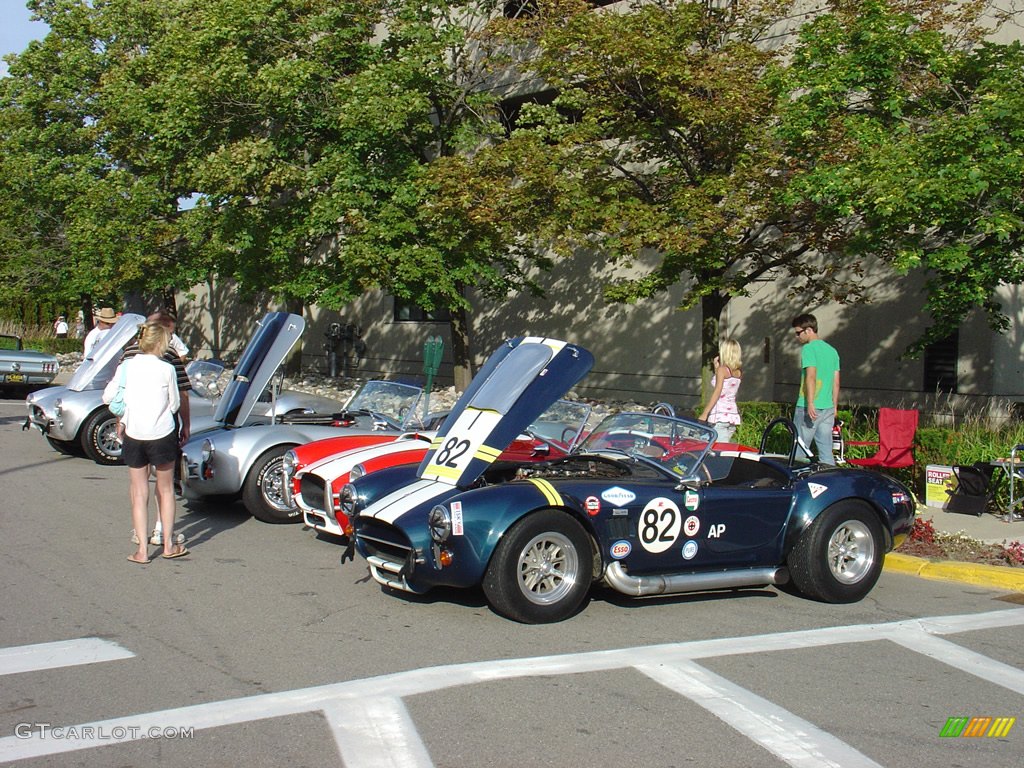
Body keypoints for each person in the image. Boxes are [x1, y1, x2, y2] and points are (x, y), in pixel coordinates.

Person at [103, 321, 188, 563]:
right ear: (161, 343)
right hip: (162, 434)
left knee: (138, 491)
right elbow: (174, 404)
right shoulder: (167, 369)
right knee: (165, 489)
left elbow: (109, 396)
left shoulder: (127, 366)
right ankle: (168, 544)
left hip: (134, 432)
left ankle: (141, 550)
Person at [121, 309, 192, 546]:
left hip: (133, 425)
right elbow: (180, 395)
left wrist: (122, 419)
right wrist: (186, 425)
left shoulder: (128, 355)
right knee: (165, 483)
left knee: (137, 486)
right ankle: (162, 531)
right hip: (163, 427)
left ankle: (139, 534)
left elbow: (119, 392)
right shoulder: (169, 357)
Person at [792, 313, 841, 464]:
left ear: (808, 330)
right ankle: (831, 482)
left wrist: (811, 402)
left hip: (809, 406)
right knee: (826, 451)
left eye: (798, 333)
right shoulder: (832, 351)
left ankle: (795, 484)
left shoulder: (809, 349)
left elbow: (811, 376)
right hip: (827, 408)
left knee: (799, 449)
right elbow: (836, 381)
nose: (797, 337)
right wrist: (835, 406)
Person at [698, 339, 742, 444]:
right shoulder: (738, 372)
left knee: (718, 450)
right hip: (731, 416)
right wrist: (716, 369)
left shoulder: (723, 370)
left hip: (719, 416)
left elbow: (717, 392)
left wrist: (705, 413)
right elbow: (726, 389)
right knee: (717, 446)